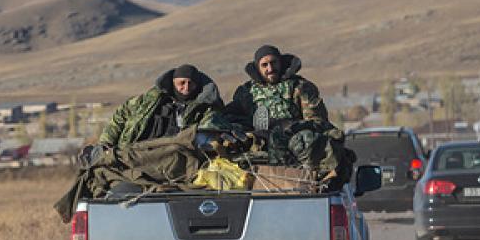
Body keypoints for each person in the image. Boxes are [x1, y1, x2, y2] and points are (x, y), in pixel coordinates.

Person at [225, 45, 349, 177]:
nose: (270, 69)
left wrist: (289, 127)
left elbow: (317, 121)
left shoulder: (300, 87)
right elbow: (229, 116)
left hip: (294, 141)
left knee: (307, 140)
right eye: (264, 65)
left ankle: (308, 177)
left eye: (273, 63)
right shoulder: (246, 92)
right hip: (258, 141)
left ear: (281, 62)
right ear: (257, 67)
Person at [97, 64, 228, 150]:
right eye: (182, 83)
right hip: (136, 152)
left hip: (176, 156)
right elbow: (120, 117)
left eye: (191, 83)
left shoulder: (206, 109)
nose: (186, 87)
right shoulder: (145, 102)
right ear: (173, 83)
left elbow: (211, 125)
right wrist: (106, 143)